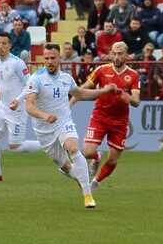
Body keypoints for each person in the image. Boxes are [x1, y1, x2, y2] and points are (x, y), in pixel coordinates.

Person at [25, 44, 118, 209]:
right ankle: (72, 172)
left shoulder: (66, 78)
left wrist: (103, 91)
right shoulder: (36, 79)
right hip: (44, 130)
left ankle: (87, 196)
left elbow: (80, 93)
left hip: (63, 121)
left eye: (53, 58)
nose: (49, 61)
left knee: (73, 148)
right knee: (68, 168)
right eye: (46, 58)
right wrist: (45, 116)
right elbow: (29, 106)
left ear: (59, 58)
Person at [0, 32, 40, 182]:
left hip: (17, 109)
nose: (1, 46)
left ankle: (49, 143)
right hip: (3, 107)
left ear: (10, 45)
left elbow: (30, 85)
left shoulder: (17, 63)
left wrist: (18, 100)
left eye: (4, 43)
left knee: (15, 146)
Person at [78, 42, 140, 189]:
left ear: (126, 55)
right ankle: (96, 156)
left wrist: (127, 97)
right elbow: (85, 87)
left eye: (120, 54)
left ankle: (96, 181)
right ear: (111, 54)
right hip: (100, 116)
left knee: (112, 159)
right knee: (87, 152)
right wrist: (74, 93)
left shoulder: (133, 75)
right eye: (114, 53)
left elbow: (136, 101)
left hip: (119, 122)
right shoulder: (101, 70)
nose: (117, 57)